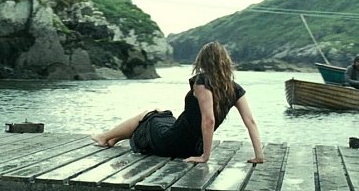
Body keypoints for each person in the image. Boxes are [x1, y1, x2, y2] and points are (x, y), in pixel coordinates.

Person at [90, 41, 264, 164]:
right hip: (193, 146)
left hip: (174, 142)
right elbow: (251, 122)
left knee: (148, 115)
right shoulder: (235, 88)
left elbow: (208, 120)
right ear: (225, 62)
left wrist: (205, 157)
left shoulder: (202, 82)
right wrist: (259, 156)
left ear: (203, 61)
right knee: (161, 114)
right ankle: (113, 139)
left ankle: (104, 137)